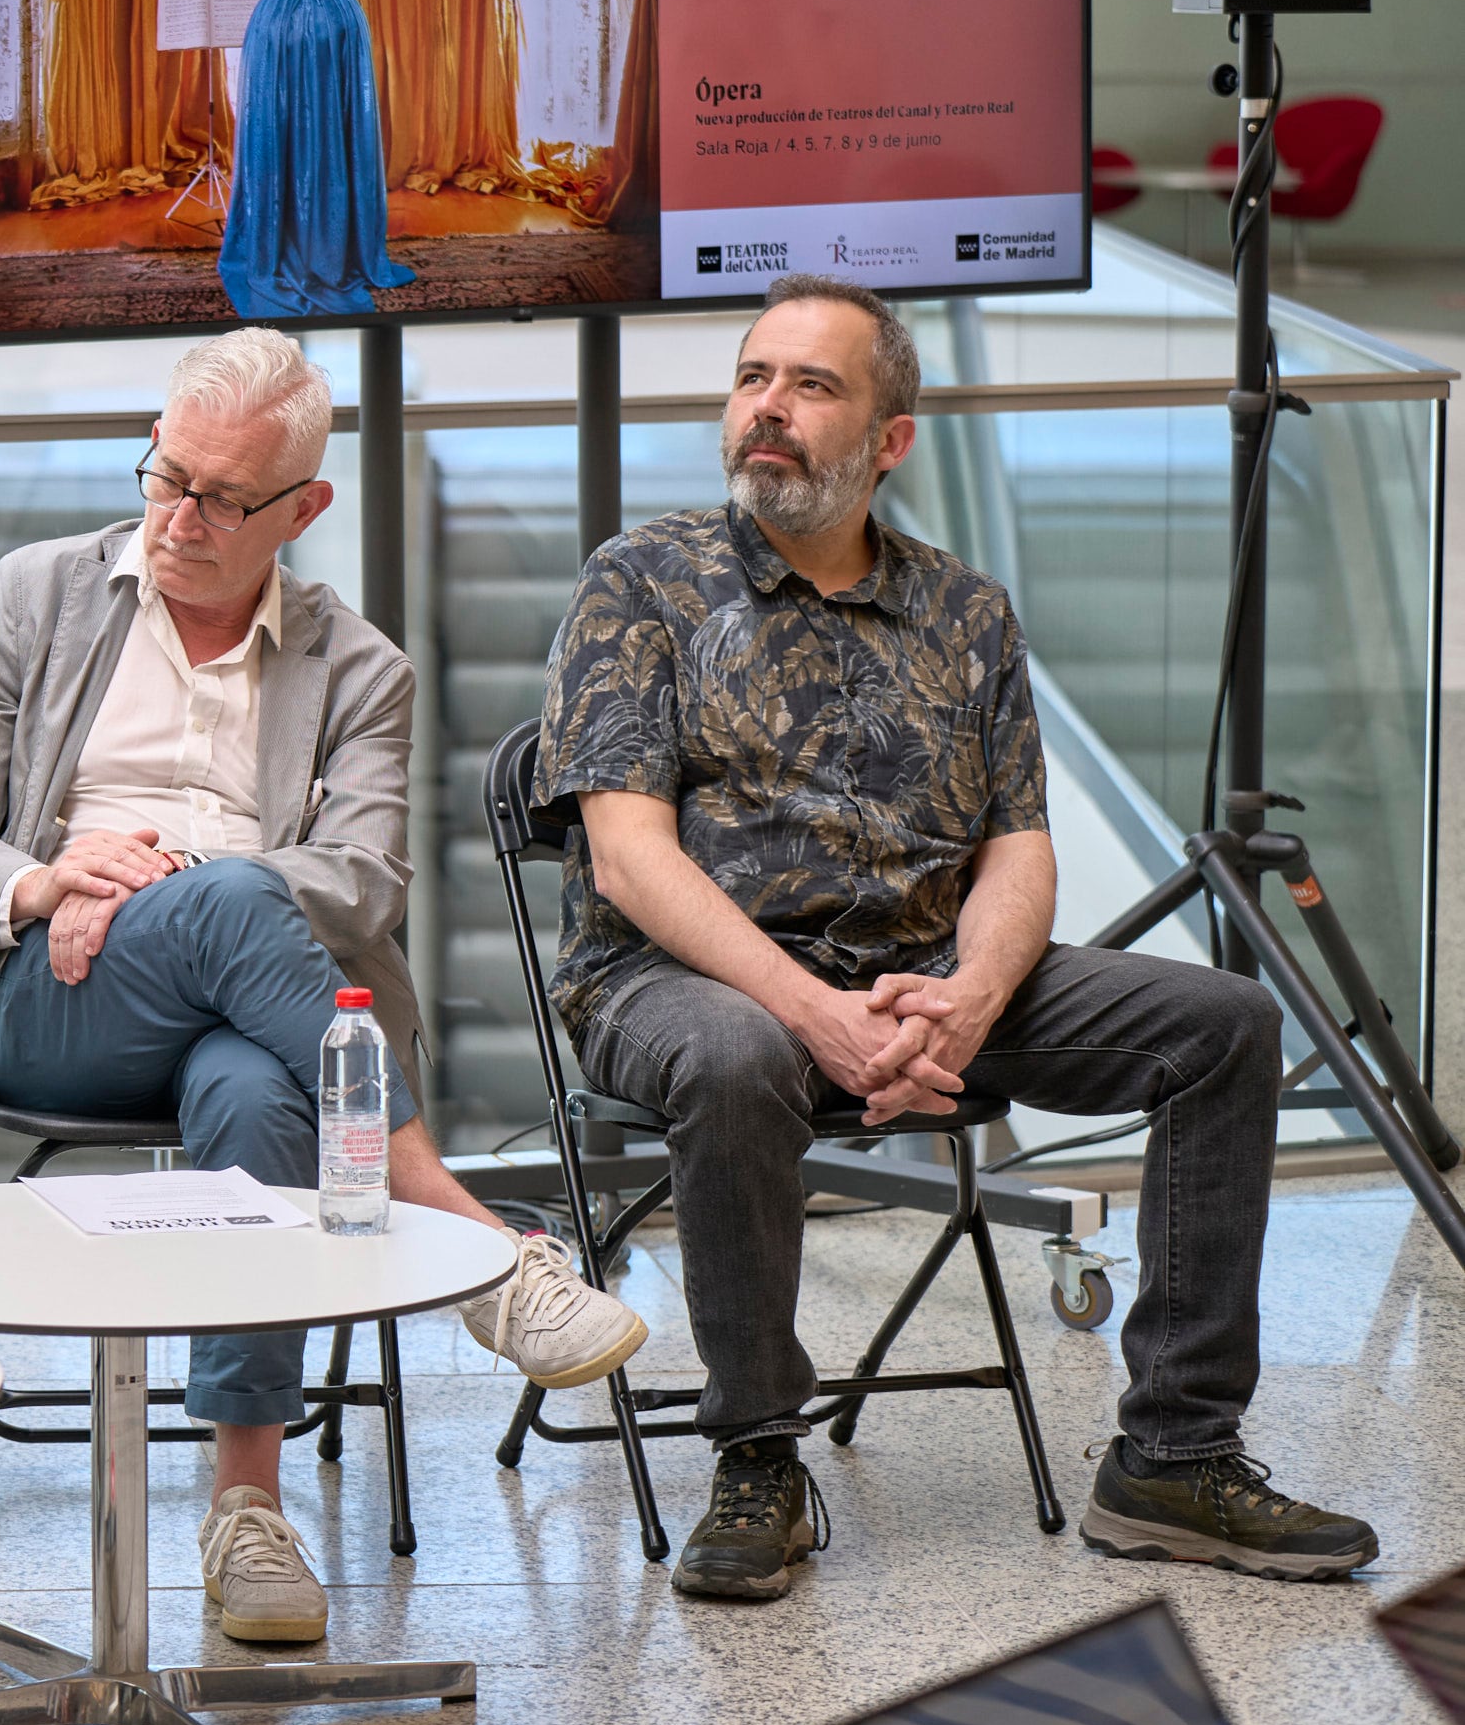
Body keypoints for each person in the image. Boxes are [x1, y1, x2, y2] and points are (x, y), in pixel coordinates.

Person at [539, 275, 1381, 1603]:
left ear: (890, 439)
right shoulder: (641, 584)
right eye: (755, 377)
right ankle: (759, 1452)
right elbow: (631, 857)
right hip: (682, 979)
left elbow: (1017, 849)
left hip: (930, 976)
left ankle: (1173, 1452)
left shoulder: (968, 612)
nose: (768, 407)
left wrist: (974, 998)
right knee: (734, 1053)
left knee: (1224, 1023)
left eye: (812, 386)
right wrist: (818, 1014)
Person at [0, 327, 646, 1645]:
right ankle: (475, 1251)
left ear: (304, 509)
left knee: (256, 1083)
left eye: (223, 499)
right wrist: (55, 877)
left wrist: (171, 880)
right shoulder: (33, 595)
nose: (178, 516)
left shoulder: (358, 667)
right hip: (48, 998)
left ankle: (247, 1512)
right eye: (165, 474)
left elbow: (362, 881)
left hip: (246, 1011)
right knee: (244, 916)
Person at [153, 0, 453, 320]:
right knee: (332, 132)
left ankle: (284, 239)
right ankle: (332, 246)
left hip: (282, 25)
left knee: (282, 130)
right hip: (335, 20)